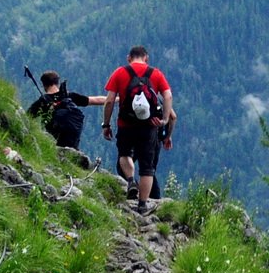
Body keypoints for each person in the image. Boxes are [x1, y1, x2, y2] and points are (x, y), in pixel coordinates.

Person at [101, 45, 176, 214]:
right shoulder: (155, 73)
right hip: (149, 127)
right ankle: (142, 205)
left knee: (124, 155)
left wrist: (106, 124)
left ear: (129, 58)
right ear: (146, 58)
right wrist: (163, 120)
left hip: (125, 124)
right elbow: (168, 96)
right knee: (147, 167)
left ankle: (130, 180)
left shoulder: (120, 72)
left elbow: (110, 101)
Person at [26, 71, 106, 150]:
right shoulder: (68, 97)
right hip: (72, 141)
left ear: (43, 85)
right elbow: (95, 100)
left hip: (55, 143)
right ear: (57, 82)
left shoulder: (42, 102)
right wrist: (115, 99)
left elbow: (26, 117)